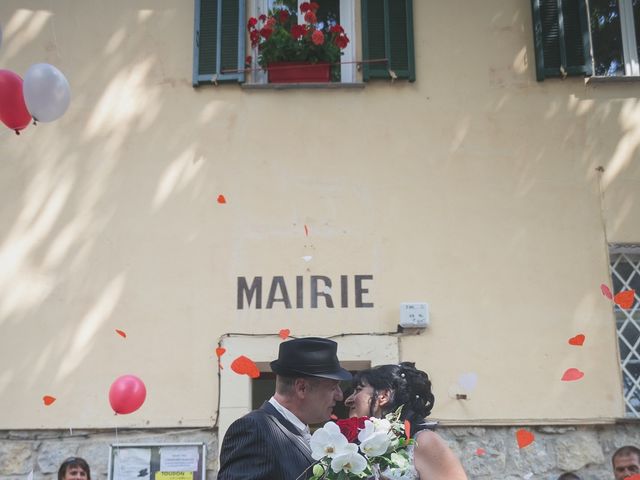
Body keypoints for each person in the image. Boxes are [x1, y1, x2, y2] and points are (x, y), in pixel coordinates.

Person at [217, 337, 351, 480]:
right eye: (333, 387)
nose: (340, 396)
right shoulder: (254, 430)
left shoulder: (298, 430)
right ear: (302, 388)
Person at [344, 362, 468, 480]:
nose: (348, 400)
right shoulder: (357, 444)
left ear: (384, 396)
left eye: (358, 390)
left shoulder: (424, 441)